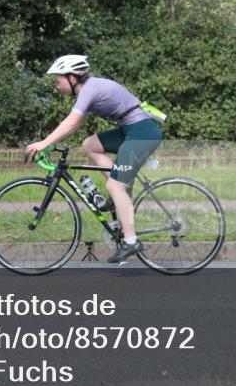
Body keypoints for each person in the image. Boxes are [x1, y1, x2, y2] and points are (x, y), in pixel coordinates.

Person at [24, 55, 163, 263]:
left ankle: (132, 240)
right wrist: (50, 143)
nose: (56, 86)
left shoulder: (89, 89)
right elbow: (74, 125)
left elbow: (71, 123)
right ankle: (118, 189)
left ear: (72, 78)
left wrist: (43, 143)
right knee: (90, 145)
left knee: (115, 187)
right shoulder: (87, 89)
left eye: (58, 80)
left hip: (142, 132)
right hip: (130, 130)